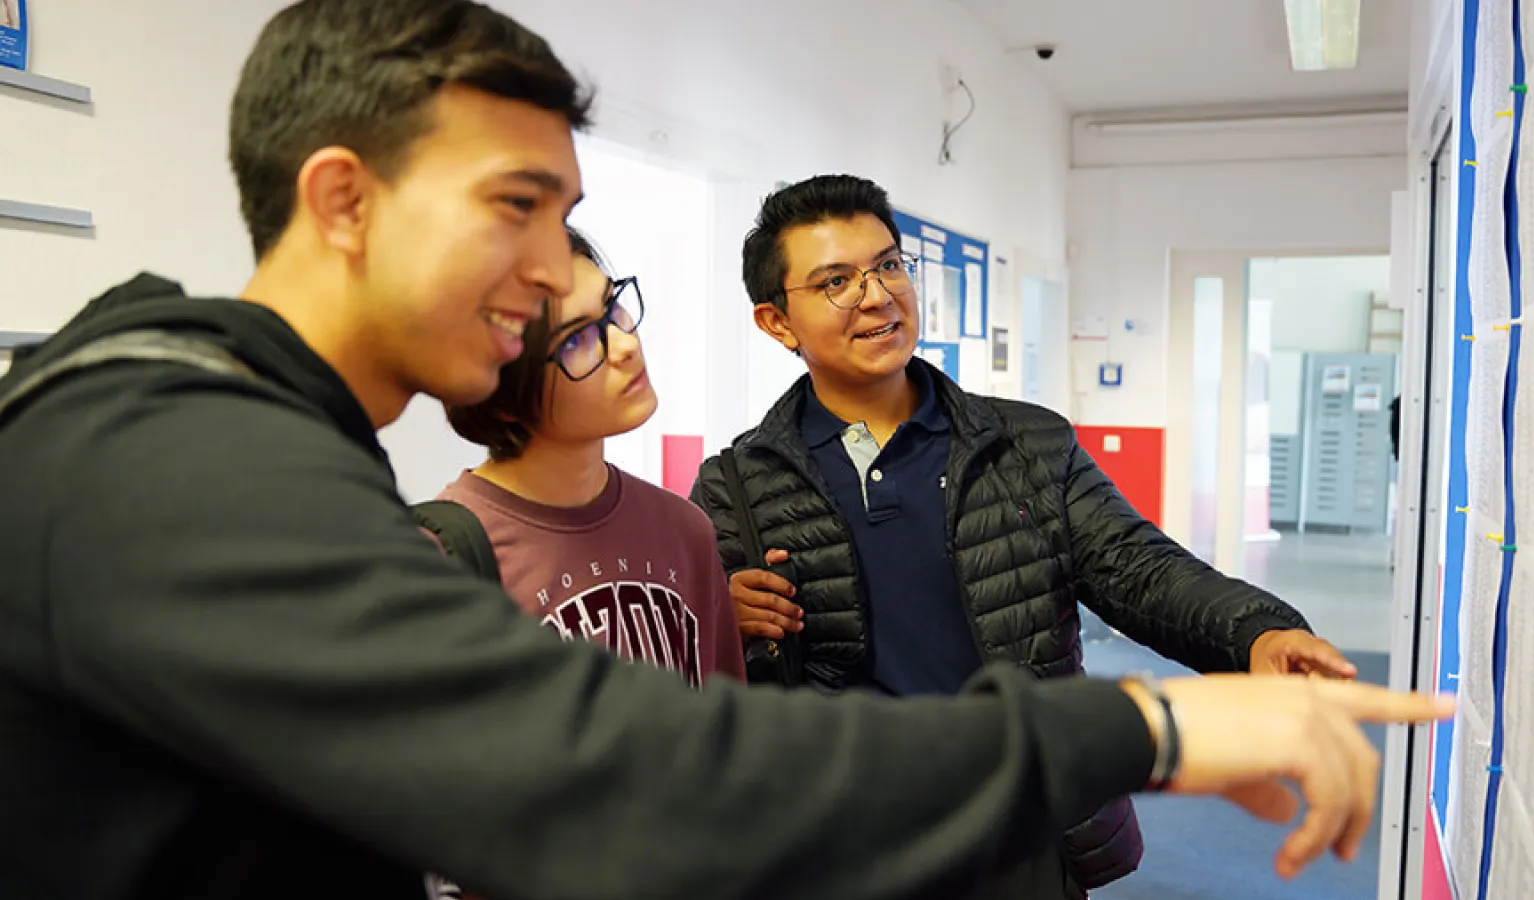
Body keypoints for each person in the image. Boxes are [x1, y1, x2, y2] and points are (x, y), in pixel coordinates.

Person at [0, 2, 1452, 899]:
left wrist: (1241, 640)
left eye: (569, 221)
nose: (559, 274)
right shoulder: (165, 458)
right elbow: (621, 772)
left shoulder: (268, 438)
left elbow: (1133, 563)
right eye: (517, 207)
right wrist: (1154, 727)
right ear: (341, 199)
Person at [690, 173, 1361, 898]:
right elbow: (702, 685)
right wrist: (721, 617)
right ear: (777, 323)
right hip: (847, 843)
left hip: (1020, 826)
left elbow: (1137, 569)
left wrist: (1257, 635)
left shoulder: (1026, 445)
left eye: (887, 265)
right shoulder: (737, 487)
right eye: (836, 282)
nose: (878, 295)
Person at [434, 227, 745, 688]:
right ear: (498, 390)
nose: (625, 344)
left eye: (612, 308)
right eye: (576, 341)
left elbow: (725, 732)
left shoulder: (685, 530)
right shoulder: (446, 558)